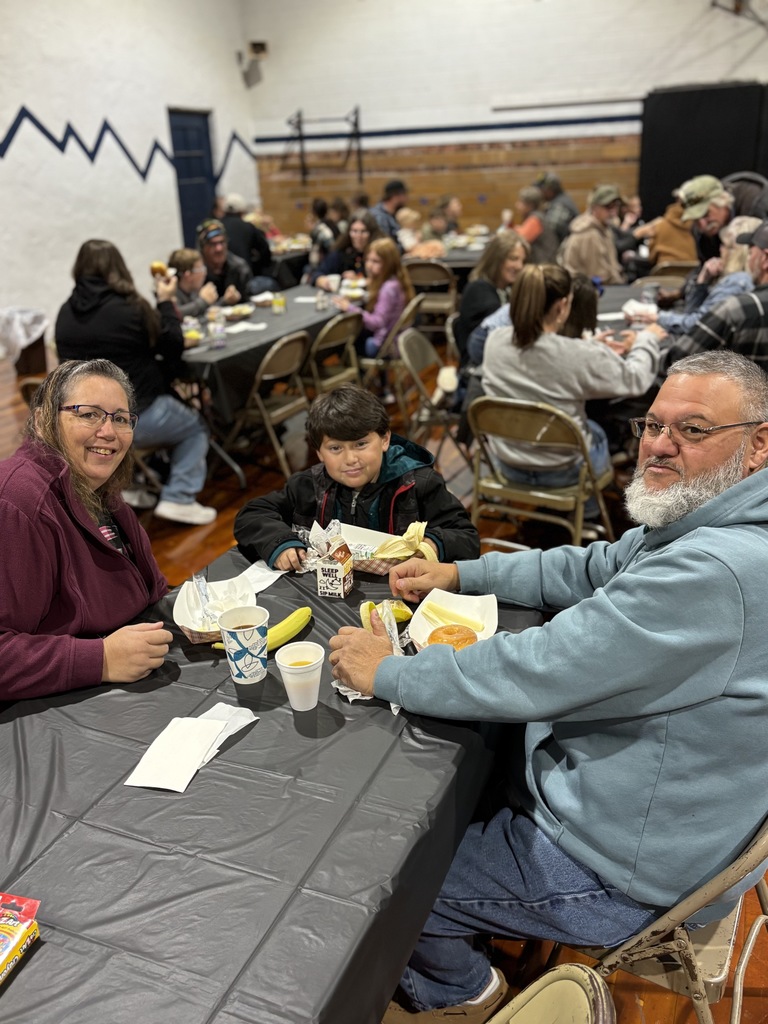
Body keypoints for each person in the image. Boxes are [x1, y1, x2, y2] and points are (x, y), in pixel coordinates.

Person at [329, 349, 768, 1022]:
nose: (659, 444)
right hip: (659, 806)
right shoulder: (712, 521)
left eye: (694, 429)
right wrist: (463, 575)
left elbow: (541, 667)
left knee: (387, 887)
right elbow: (593, 564)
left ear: (758, 444)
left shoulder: (716, 571)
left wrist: (385, 670)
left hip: (619, 864)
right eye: (653, 425)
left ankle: (464, 992)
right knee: (445, 784)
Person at [0, 359, 172, 702]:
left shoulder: (96, 487)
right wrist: (101, 659)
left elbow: (151, 589)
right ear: (41, 420)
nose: (108, 431)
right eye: (88, 414)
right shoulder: (17, 503)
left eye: (120, 418)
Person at [55, 239, 217, 525]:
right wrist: (166, 301)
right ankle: (179, 497)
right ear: (118, 268)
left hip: (81, 422)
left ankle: (131, 485)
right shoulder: (130, 308)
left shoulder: (64, 314)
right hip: (134, 416)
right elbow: (172, 345)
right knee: (196, 427)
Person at [234, 383, 480, 570]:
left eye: (361, 444)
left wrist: (432, 544)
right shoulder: (308, 485)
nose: (350, 458)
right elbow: (252, 515)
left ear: (385, 440)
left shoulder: (419, 485)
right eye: (335, 448)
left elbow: (466, 538)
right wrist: (281, 543)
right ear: (319, 453)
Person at [480, 264, 658, 500]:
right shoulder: (578, 353)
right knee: (596, 428)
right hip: (563, 471)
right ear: (562, 306)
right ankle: (591, 509)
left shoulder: (494, 340)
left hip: (505, 462)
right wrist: (647, 338)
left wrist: (593, 348)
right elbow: (636, 379)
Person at [662, 218, 768, 371]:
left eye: (751, 253)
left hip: (738, 393)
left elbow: (679, 358)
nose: (720, 250)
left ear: (765, 259)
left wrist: (645, 345)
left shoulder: (737, 308)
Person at [631, 215, 760, 337]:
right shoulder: (746, 279)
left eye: (725, 246)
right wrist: (702, 281)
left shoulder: (736, 282)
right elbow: (693, 314)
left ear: (738, 252)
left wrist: (657, 317)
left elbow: (697, 326)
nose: (720, 250)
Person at [332, 237, 415, 359]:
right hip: (396, 339)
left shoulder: (388, 288)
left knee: (344, 343)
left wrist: (349, 307)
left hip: (384, 346)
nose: (369, 265)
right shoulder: (397, 280)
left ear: (389, 264)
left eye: (376, 261)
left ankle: (360, 377)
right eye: (368, 260)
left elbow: (376, 323)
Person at [452, 232, 528, 366]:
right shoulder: (479, 292)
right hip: (477, 371)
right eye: (513, 259)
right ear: (496, 260)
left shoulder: (505, 289)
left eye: (522, 261)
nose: (519, 266)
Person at [677, 172, 768, 264]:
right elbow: (703, 265)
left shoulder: (756, 205)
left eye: (706, 214)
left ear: (722, 202)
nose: (703, 224)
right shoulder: (700, 234)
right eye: (696, 220)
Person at [558, 184, 626, 284]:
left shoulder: (604, 229)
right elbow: (600, 276)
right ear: (594, 208)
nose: (613, 211)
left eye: (616, 206)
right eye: (608, 206)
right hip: (588, 292)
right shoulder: (589, 235)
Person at [310, 209, 382, 289]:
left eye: (363, 231)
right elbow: (318, 273)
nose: (358, 236)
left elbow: (386, 280)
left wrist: (358, 280)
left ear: (372, 233)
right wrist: (322, 281)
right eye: (354, 231)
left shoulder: (379, 253)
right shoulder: (342, 251)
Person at [221, 193, 277, 292]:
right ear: (242, 211)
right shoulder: (248, 227)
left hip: (220, 282)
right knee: (271, 283)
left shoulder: (217, 228)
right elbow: (265, 250)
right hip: (244, 281)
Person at [197, 218, 252, 305]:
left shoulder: (239, 267)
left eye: (222, 242)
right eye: (212, 244)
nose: (219, 249)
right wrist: (224, 302)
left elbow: (248, 303)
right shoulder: (195, 272)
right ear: (202, 248)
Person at [512, 186, 560, 264]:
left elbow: (521, 240)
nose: (517, 205)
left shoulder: (535, 219)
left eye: (520, 202)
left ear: (529, 205)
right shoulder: (538, 216)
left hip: (543, 264)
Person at [168, 247, 218, 318]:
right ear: (188, 275)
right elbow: (176, 314)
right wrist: (203, 301)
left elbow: (202, 311)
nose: (204, 273)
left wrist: (225, 301)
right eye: (200, 269)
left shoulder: (193, 291)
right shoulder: (170, 294)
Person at [533, 170, 578, 243]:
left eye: (542, 189)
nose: (540, 193)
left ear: (550, 190)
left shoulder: (560, 205)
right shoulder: (558, 200)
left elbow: (549, 230)